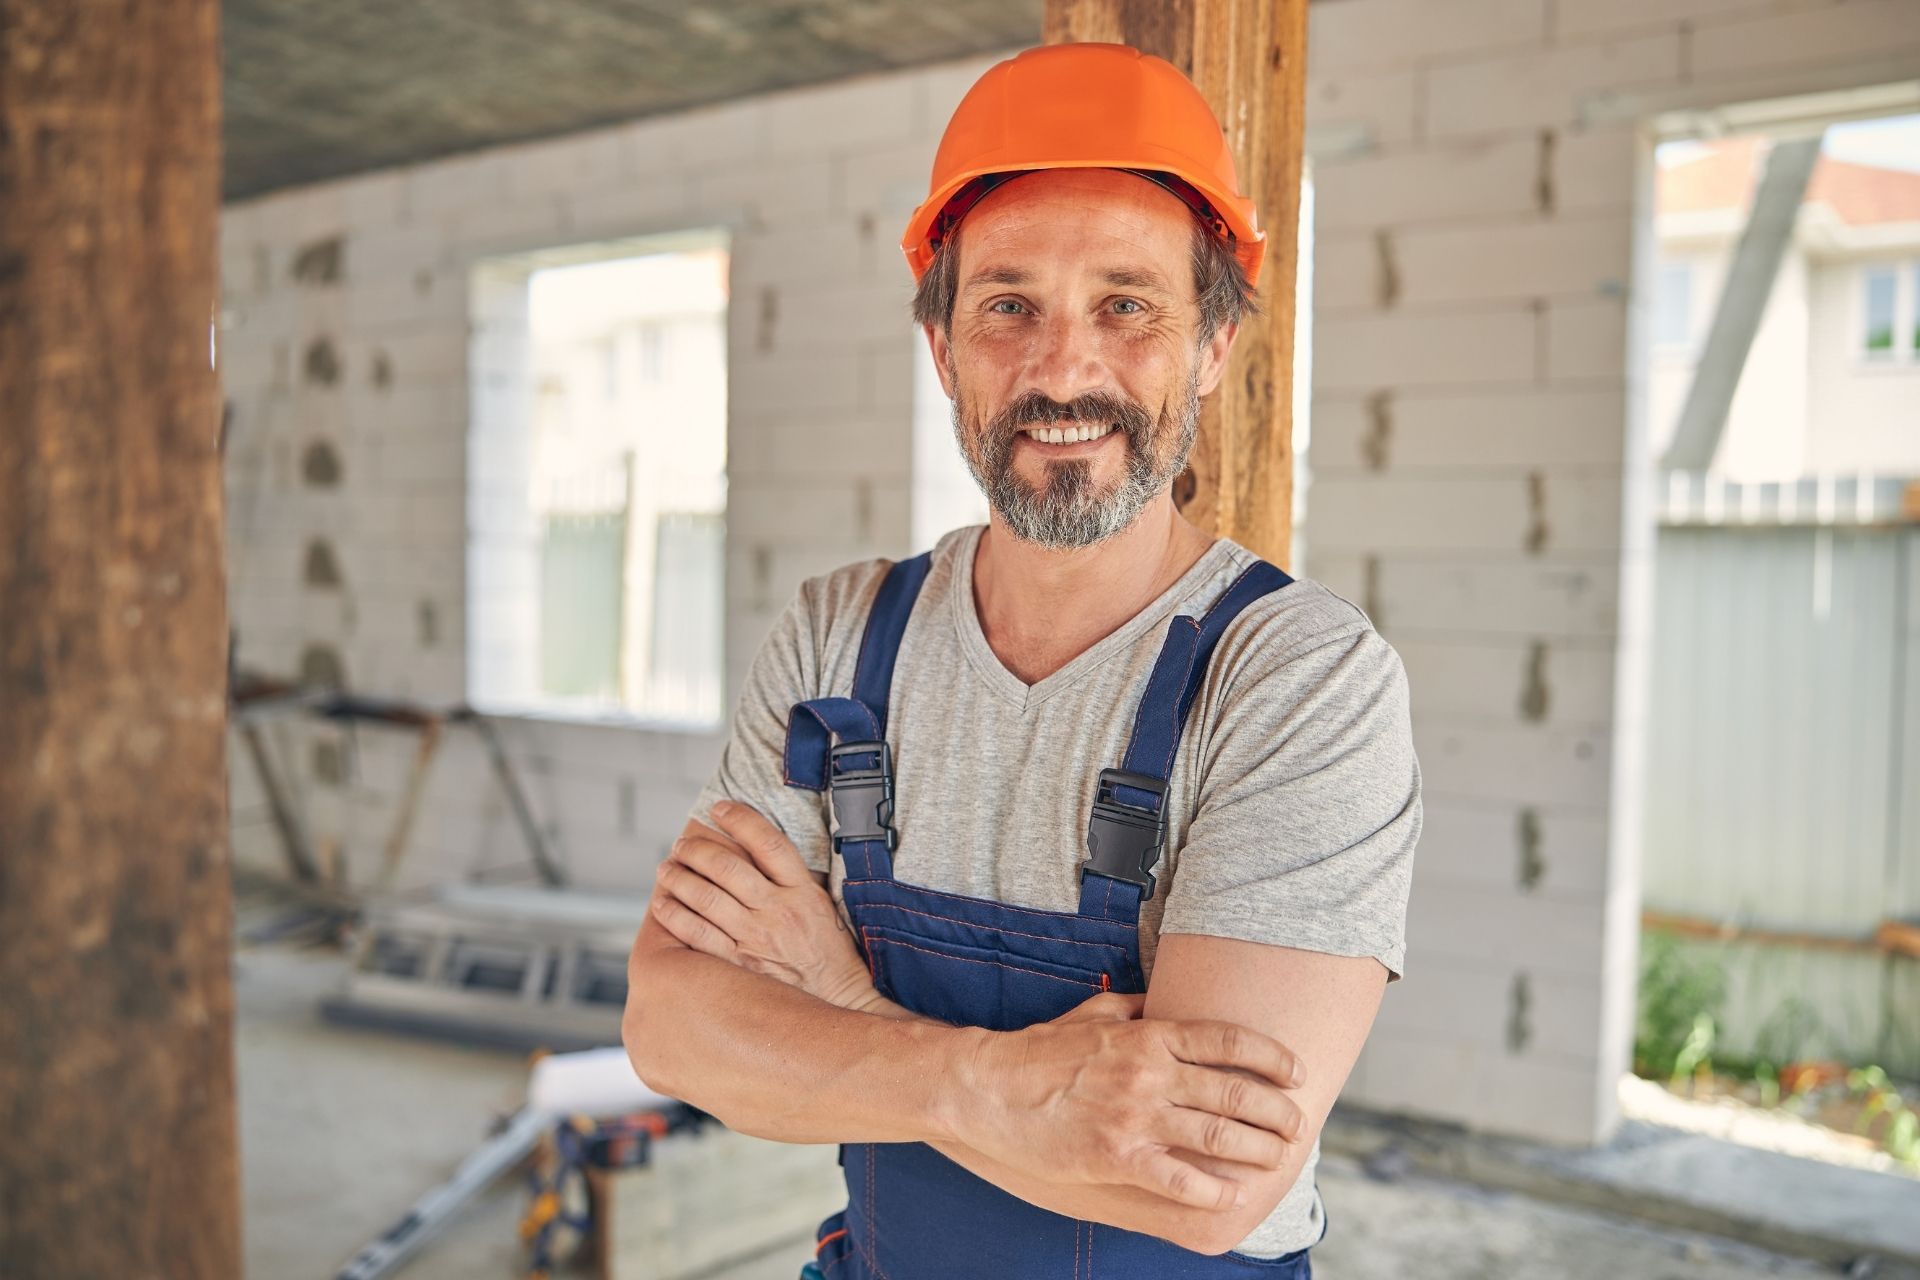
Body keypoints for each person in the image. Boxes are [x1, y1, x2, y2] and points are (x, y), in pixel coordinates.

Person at [623, 41, 1420, 1278]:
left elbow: (1211, 1185)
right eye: (1007, 305)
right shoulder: (843, 635)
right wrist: (992, 1082)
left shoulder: (1296, 678)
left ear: (1211, 343)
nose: (1063, 369)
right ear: (943, 346)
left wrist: (839, 1014)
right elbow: (675, 1029)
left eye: (1126, 303)